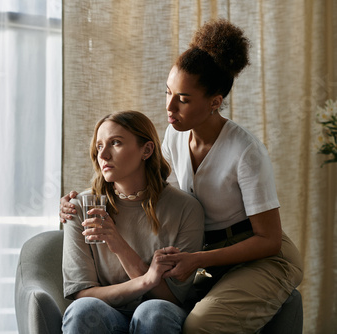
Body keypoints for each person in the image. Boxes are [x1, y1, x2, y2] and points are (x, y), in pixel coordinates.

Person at [60, 19, 303, 334]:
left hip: (262, 257)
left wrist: (197, 258)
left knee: (199, 326)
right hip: (208, 255)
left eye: (183, 99)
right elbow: (152, 192)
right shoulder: (174, 136)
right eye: (168, 92)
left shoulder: (245, 152)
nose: (169, 107)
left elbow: (268, 240)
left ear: (214, 102)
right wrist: (75, 203)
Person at [61, 110, 204, 334]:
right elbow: (83, 294)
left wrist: (119, 245)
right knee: (83, 310)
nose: (104, 155)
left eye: (115, 143)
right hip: (106, 314)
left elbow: (173, 299)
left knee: (152, 312)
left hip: (160, 314)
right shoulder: (79, 207)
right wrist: (146, 281)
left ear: (146, 150)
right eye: (99, 146)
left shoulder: (186, 208)